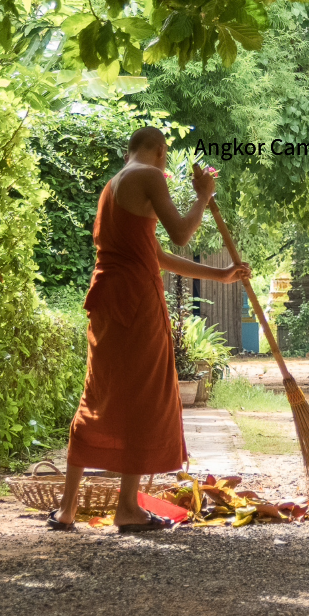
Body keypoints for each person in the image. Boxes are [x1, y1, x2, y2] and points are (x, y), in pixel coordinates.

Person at [50, 126, 250, 532]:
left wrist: (221, 275)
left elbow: (154, 253)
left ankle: (69, 508)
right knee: (144, 396)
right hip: (135, 303)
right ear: (160, 151)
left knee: (101, 393)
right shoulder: (149, 175)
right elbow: (179, 235)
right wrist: (203, 196)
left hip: (108, 300)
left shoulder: (114, 185)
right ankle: (126, 506)